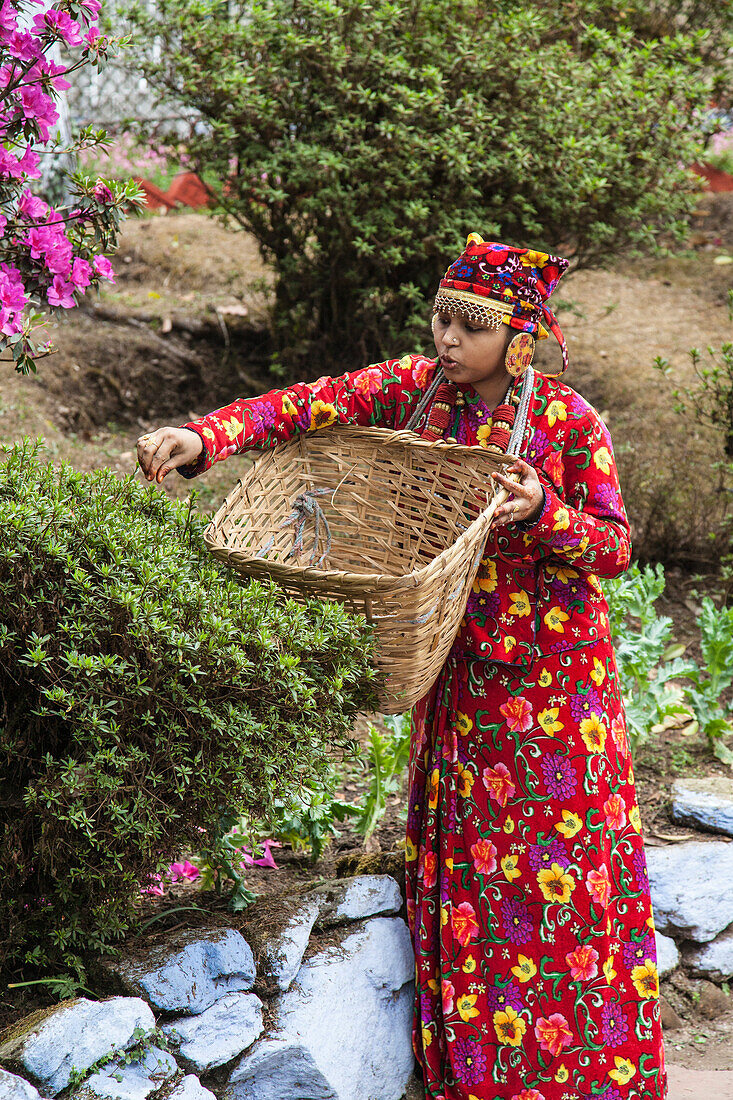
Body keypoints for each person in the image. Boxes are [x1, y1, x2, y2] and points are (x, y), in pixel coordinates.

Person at [137, 234, 667, 1100]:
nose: (447, 342)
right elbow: (312, 403)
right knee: (469, 879)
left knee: (564, 884)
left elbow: (614, 549)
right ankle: (483, 1077)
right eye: (440, 320)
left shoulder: (569, 423)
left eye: (470, 327)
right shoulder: (414, 393)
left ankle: (589, 1077)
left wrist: (542, 512)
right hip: (456, 680)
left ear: (518, 338)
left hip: (555, 693)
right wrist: (204, 437)